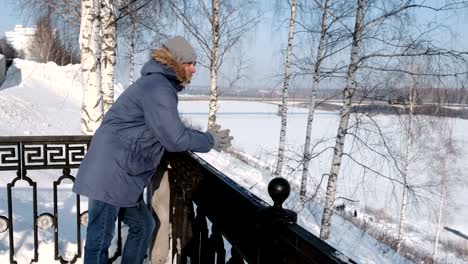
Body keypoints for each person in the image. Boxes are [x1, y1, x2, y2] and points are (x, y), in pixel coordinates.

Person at [73, 36, 233, 264]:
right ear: (175, 62)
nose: (194, 69)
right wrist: (209, 141)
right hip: (111, 173)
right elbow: (175, 139)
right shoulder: (159, 88)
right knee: (100, 238)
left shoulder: (156, 85)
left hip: (120, 172)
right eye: (189, 63)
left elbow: (170, 129)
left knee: (143, 225)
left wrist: (204, 137)